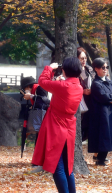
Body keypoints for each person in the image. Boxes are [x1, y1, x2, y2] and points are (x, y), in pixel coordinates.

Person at [31, 58, 83, 193]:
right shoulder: (79, 87)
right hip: (69, 127)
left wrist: (50, 68)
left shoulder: (62, 86)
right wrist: (59, 80)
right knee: (68, 167)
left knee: (57, 167)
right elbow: (61, 88)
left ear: (64, 70)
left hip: (56, 127)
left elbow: (42, 82)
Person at [88, 57, 112, 166]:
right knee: (104, 136)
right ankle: (100, 159)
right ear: (96, 69)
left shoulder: (109, 81)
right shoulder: (96, 83)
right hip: (103, 114)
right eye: (103, 67)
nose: (105, 69)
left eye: (107, 67)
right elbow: (104, 98)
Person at [77, 47, 94, 142]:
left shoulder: (89, 69)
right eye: (81, 58)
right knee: (81, 124)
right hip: (80, 100)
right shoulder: (75, 71)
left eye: (85, 58)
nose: (84, 60)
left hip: (90, 100)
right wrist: (82, 91)